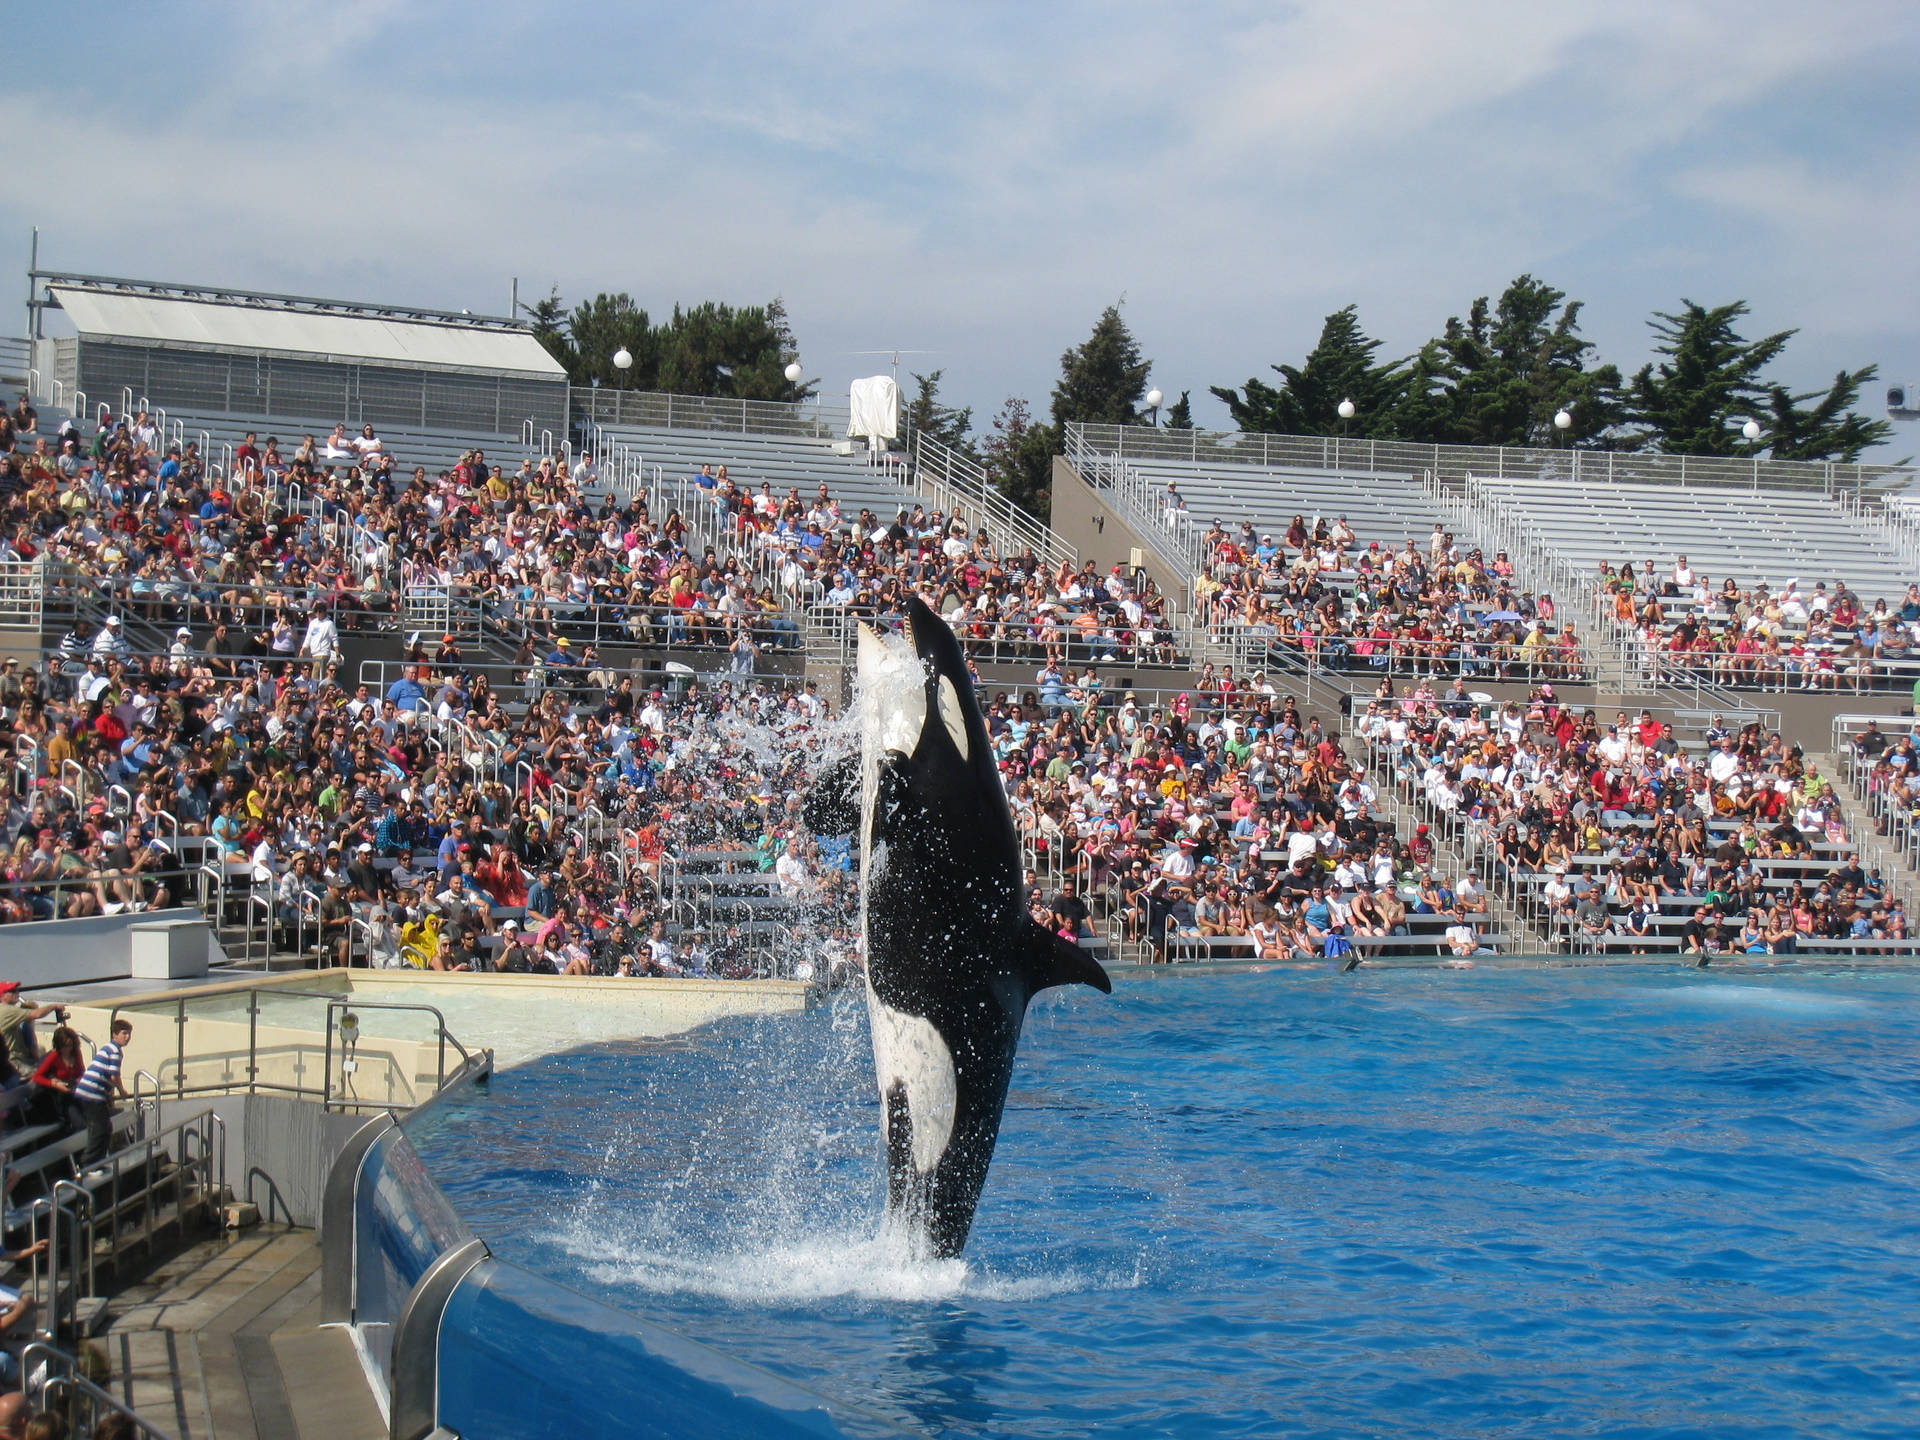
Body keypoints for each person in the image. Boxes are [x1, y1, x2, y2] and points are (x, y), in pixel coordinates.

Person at [73, 1019, 132, 1166]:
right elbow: (114, 1076)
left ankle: (97, 1161)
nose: (127, 1037)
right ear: (114, 1034)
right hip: (91, 1093)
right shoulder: (115, 1051)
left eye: (129, 1034)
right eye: (124, 1033)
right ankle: (88, 1163)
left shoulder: (108, 1048)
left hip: (91, 1093)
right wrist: (122, 1091)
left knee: (105, 1127)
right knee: (99, 1129)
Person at [28, 1026, 84, 1133]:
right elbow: (37, 1077)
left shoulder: (76, 1054)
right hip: (62, 1097)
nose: (67, 1049)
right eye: (64, 1046)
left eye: (70, 1045)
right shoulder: (54, 1056)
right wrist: (53, 1084)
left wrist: (77, 1082)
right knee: (79, 1123)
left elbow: (81, 1072)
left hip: (75, 1091)